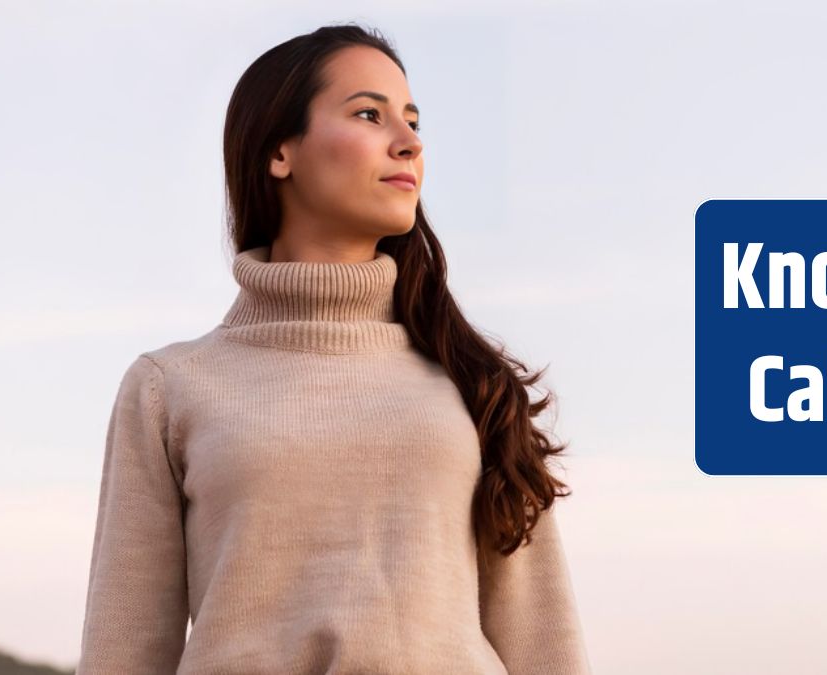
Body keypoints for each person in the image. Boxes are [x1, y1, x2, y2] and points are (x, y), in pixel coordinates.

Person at [77, 23, 592, 674]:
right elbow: (122, 652)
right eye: (370, 114)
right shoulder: (168, 387)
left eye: (412, 120)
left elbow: (542, 638)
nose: (409, 142)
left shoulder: (473, 379)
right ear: (279, 151)